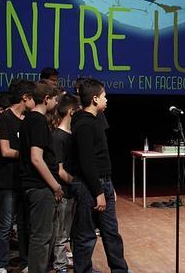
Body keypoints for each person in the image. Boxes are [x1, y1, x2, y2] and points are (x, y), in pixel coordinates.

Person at [70, 78, 130, 273]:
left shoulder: (96, 120)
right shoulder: (83, 124)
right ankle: (83, 270)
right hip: (89, 186)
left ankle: (119, 269)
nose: (107, 99)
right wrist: (98, 191)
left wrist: (107, 186)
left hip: (103, 181)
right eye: (104, 96)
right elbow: (87, 162)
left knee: (111, 232)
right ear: (95, 99)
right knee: (86, 234)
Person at [19, 81, 63, 273]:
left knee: (43, 237)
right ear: (46, 99)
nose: (56, 103)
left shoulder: (29, 119)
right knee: (41, 238)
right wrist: (55, 186)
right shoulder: (37, 121)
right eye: (55, 99)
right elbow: (36, 159)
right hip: (40, 187)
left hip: (36, 186)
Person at [0, 79, 36, 273]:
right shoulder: (6, 118)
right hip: (8, 180)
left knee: (25, 223)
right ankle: (1, 264)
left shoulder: (28, 118)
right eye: (32, 98)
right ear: (25, 98)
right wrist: (28, 154)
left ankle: (26, 261)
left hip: (25, 179)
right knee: (6, 224)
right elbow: (5, 150)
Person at [49, 93, 80, 273]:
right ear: (70, 112)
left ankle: (79, 263)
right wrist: (77, 183)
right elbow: (60, 171)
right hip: (66, 192)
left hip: (75, 192)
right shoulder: (58, 137)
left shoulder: (73, 134)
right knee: (61, 233)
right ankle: (60, 265)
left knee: (76, 231)